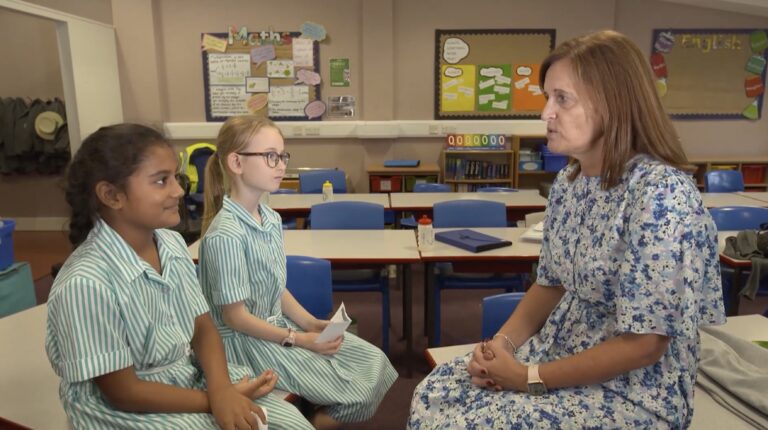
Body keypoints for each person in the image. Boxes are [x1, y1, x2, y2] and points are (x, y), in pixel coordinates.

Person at [409, 30, 725, 429]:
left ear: (614, 104)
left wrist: (527, 378)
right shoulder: (571, 183)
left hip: (632, 390)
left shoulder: (661, 195)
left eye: (562, 99)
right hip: (559, 353)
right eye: (546, 98)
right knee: (435, 393)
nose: (545, 114)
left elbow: (645, 345)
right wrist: (498, 350)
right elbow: (550, 284)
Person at [46, 123, 311, 429]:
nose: (179, 191)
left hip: (186, 377)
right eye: (161, 181)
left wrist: (222, 388)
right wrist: (217, 398)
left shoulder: (171, 243)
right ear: (111, 195)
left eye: (176, 177)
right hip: (128, 407)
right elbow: (123, 392)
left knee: (291, 424)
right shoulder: (85, 283)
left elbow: (202, 326)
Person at [197, 116, 397, 430]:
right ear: (236, 162)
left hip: (278, 329)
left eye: (283, 156)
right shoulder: (226, 235)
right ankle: (311, 423)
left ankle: (313, 418)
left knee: (375, 362)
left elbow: (275, 285)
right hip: (245, 343)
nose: (281, 165)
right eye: (270, 156)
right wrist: (299, 339)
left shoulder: (271, 219)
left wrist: (310, 323)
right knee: (352, 386)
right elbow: (236, 318)